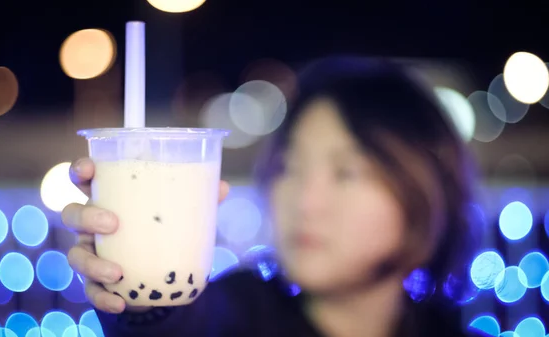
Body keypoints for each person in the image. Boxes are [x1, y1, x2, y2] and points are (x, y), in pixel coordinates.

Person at [62, 56, 488, 337]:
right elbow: (180, 325)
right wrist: (137, 295)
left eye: (347, 173)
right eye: (289, 168)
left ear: (422, 193)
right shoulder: (241, 312)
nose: (305, 201)